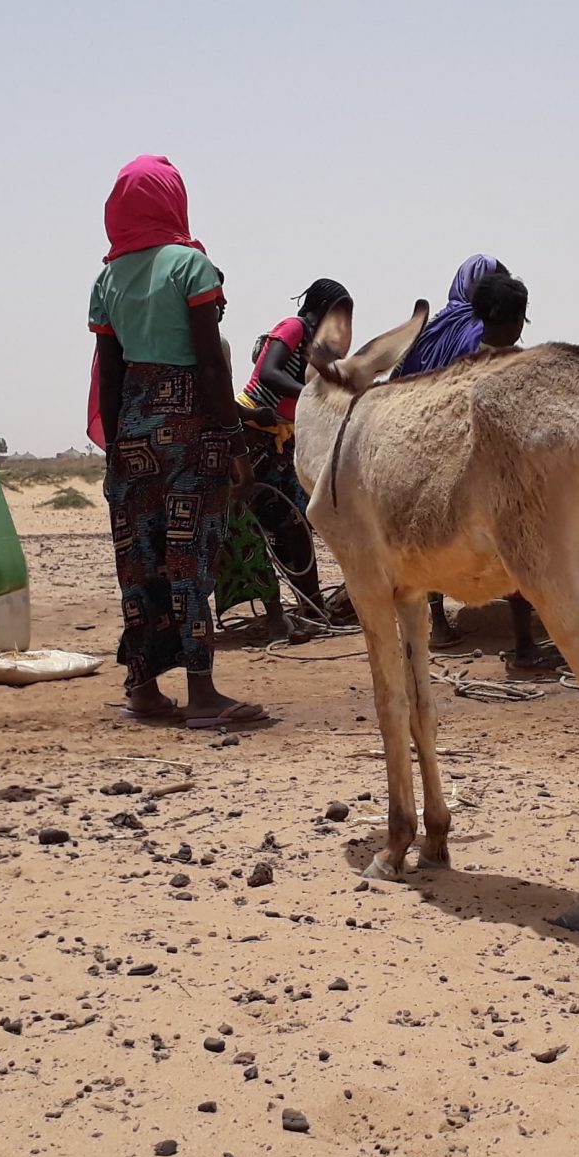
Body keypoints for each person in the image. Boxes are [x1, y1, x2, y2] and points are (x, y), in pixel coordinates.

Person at [88, 154, 263, 728]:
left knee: (139, 561)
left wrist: (118, 450)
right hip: (194, 430)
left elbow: (108, 373)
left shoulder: (106, 280)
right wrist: (237, 443)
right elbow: (211, 364)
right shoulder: (193, 267)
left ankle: (141, 687)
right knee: (191, 555)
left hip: (134, 428)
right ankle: (203, 696)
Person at [395, 258, 553, 668]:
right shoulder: (482, 344)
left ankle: (439, 627)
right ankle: (523, 646)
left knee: (426, 541)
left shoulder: (429, 333)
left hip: (424, 455)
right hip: (473, 462)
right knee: (513, 541)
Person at [234, 278, 343, 630]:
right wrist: (315, 396)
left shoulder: (316, 345)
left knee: (299, 523)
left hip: (280, 440)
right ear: (323, 308)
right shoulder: (294, 327)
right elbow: (269, 372)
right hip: (255, 435)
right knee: (288, 525)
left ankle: (311, 608)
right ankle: (306, 610)